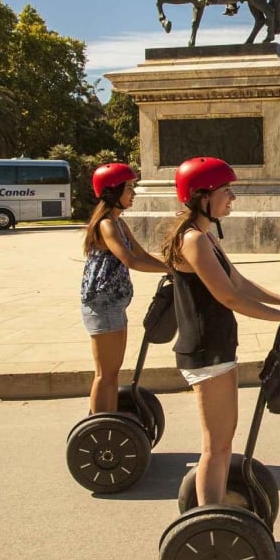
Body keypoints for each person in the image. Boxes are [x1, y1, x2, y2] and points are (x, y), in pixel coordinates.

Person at [163, 156, 280, 506]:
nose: (232, 197)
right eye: (225, 191)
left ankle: (214, 511)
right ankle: (209, 519)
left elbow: (238, 282)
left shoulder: (205, 236)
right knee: (216, 446)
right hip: (205, 350)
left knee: (223, 443)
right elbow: (228, 296)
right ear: (202, 196)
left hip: (217, 347)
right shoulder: (193, 240)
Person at [80, 163, 170, 416]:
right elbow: (130, 260)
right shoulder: (106, 225)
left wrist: (172, 268)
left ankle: (110, 418)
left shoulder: (119, 223)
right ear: (113, 191)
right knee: (105, 373)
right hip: (103, 304)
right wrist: (173, 272)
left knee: (112, 371)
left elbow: (141, 254)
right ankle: (100, 424)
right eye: (129, 188)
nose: (134, 193)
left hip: (115, 304)